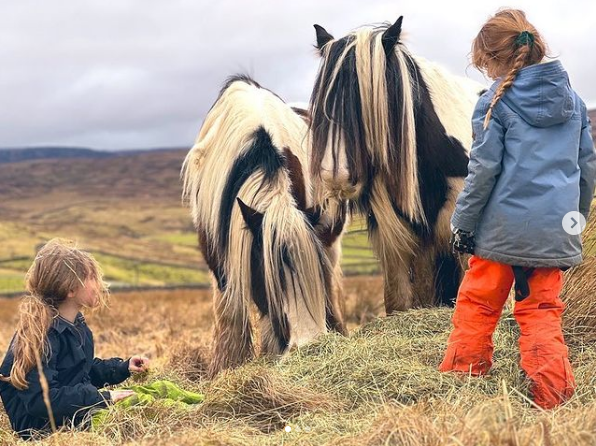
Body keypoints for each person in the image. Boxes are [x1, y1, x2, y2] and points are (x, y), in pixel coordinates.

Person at [439, 8, 596, 409]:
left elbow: (483, 172)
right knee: (542, 310)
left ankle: (463, 381)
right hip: (554, 230)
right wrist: (573, 224)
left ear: (493, 59)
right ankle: (554, 399)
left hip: (500, 231)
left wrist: (462, 223)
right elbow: (587, 169)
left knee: (478, 302)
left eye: (486, 64)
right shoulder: (574, 102)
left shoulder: (494, 103)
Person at [0, 239, 150, 439]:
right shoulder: (39, 335)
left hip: (70, 416)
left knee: (155, 393)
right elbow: (41, 401)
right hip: (44, 430)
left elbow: (80, 371)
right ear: (70, 289)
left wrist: (123, 368)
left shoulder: (76, 325)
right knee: (139, 408)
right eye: (91, 278)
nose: (100, 284)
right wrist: (102, 398)